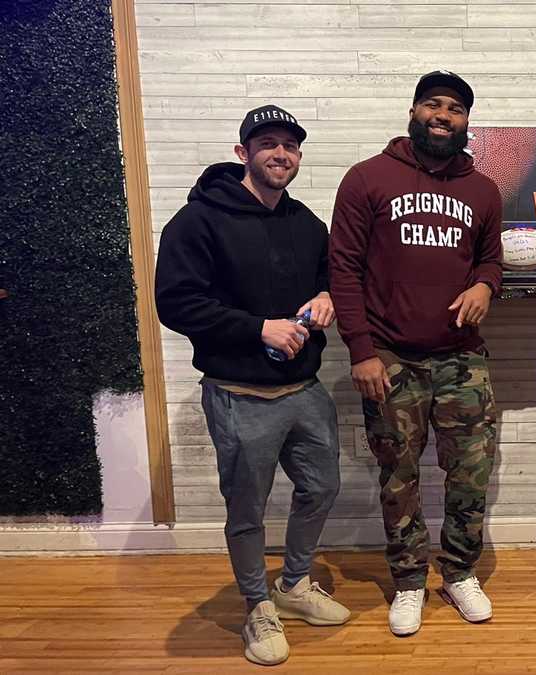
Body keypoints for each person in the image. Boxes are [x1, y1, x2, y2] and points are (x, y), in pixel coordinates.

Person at [155, 105, 348, 666]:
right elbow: (177, 303)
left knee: (322, 488)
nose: (280, 154)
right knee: (247, 511)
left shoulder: (306, 222)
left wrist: (327, 297)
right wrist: (257, 327)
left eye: (290, 145)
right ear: (243, 152)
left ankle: (293, 585)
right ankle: (257, 607)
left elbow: (328, 276)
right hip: (239, 395)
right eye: (267, 143)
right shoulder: (196, 222)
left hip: (304, 391)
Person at [328, 70, 503, 637]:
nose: (442, 115)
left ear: (466, 121)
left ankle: (458, 572)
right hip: (390, 358)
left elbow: (492, 260)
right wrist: (361, 349)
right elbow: (344, 271)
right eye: (433, 104)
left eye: (454, 108)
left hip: (462, 358)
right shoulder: (367, 179)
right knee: (398, 476)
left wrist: (484, 286)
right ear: (413, 110)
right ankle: (407, 582)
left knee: (470, 475)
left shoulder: (482, 190)